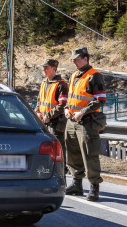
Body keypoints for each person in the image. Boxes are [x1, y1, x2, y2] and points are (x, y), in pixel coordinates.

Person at [64, 47, 107, 202]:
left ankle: (94, 187)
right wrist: (66, 109)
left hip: (87, 122)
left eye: (77, 59)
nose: (74, 62)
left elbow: (100, 100)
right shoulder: (75, 75)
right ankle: (77, 184)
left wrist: (82, 112)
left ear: (85, 58)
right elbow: (70, 98)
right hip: (71, 121)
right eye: (73, 60)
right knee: (72, 153)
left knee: (90, 154)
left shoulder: (94, 76)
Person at [35, 58, 68, 165]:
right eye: (43, 67)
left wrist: (48, 116)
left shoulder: (61, 84)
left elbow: (62, 104)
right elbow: (39, 100)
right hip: (44, 121)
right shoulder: (44, 82)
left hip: (56, 122)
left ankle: (62, 168)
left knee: (58, 147)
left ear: (54, 69)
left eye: (46, 68)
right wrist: (37, 112)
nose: (44, 70)